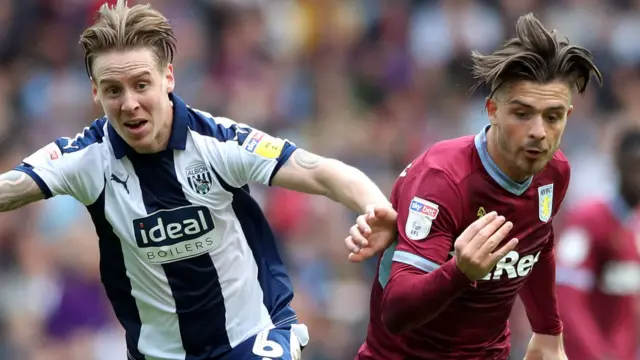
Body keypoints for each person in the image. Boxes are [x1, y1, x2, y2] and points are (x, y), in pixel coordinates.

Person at [0, 1, 396, 360]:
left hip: (251, 339)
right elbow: (11, 188)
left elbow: (320, 171)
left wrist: (376, 209)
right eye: (113, 90)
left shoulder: (217, 143)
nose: (130, 103)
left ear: (168, 77)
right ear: (95, 93)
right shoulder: (85, 159)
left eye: (141, 84)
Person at [344, 13, 603, 360]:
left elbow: (539, 243)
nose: (539, 131)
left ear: (567, 117)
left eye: (552, 116)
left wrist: (548, 331)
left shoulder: (554, 172)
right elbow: (395, 312)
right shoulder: (443, 180)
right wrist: (460, 272)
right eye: (522, 113)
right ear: (492, 110)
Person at [555, 127, 640, 360]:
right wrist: (597, 354)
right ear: (619, 163)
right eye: (636, 166)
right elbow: (567, 297)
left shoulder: (636, 222)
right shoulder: (587, 220)